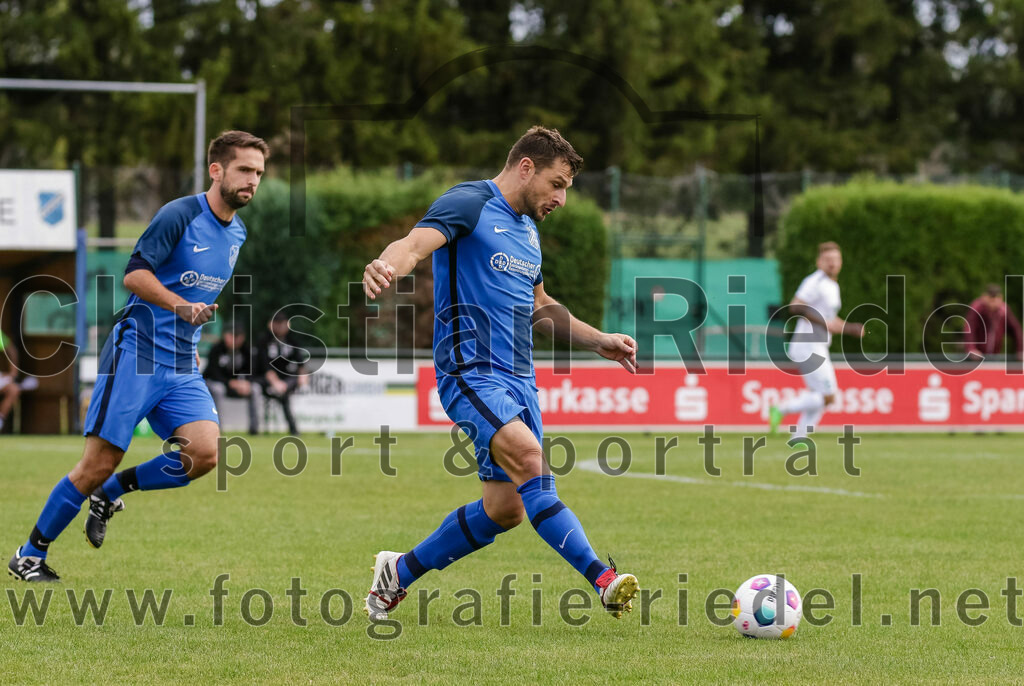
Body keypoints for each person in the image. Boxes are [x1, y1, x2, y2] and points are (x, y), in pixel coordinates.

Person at [361, 126, 640, 620]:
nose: (561, 199)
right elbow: (414, 244)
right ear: (526, 167)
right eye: (557, 184)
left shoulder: (528, 231)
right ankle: (603, 578)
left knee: (504, 509)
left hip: (520, 379)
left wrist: (598, 339)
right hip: (471, 371)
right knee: (532, 461)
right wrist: (385, 265)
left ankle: (397, 573)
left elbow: (540, 305)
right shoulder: (469, 202)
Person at [8, 131, 268, 582]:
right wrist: (180, 306)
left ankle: (112, 491)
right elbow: (134, 275)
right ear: (216, 170)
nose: (253, 180)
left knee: (204, 454)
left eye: (259, 173)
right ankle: (29, 554)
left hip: (181, 362)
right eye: (244, 169)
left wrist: (192, 327)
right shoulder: (179, 214)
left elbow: (195, 293)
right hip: (137, 353)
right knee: (96, 463)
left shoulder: (238, 232)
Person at [769, 241, 864, 445]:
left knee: (820, 396)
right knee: (829, 396)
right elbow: (795, 306)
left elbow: (830, 320)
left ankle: (798, 438)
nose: (832, 263)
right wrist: (824, 323)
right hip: (808, 344)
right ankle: (781, 409)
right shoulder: (815, 281)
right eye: (828, 259)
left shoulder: (832, 286)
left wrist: (850, 328)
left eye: (836, 259)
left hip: (818, 345)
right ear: (819, 262)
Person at [254, 312, 309, 436]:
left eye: (283, 323)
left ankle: (294, 428)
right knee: (281, 394)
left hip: (286, 381)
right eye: (277, 323)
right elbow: (265, 366)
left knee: (286, 390)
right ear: (271, 325)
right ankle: (292, 429)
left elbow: (301, 365)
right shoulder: (263, 341)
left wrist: (303, 378)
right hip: (266, 380)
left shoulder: (293, 341)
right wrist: (276, 383)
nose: (280, 327)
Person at [204, 321, 262, 435]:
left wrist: (246, 383)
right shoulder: (216, 349)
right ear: (225, 335)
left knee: (255, 389)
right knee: (218, 389)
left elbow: (253, 372)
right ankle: (218, 428)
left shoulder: (247, 350)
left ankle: (254, 429)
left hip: (239, 385)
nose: (235, 339)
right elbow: (213, 373)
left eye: (238, 336)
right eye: (231, 335)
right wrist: (230, 382)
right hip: (217, 383)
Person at [964, 284, 1023, 360]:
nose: (993, 303)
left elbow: (1015, 329)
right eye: (991, 299)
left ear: (1001, 298)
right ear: (984, 297)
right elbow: (969, 328)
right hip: (976, 356)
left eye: (996, 299)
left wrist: (1021, 350)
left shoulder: (1003, 310)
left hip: (995, 356)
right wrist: (971, 348)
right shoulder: (977, 308)